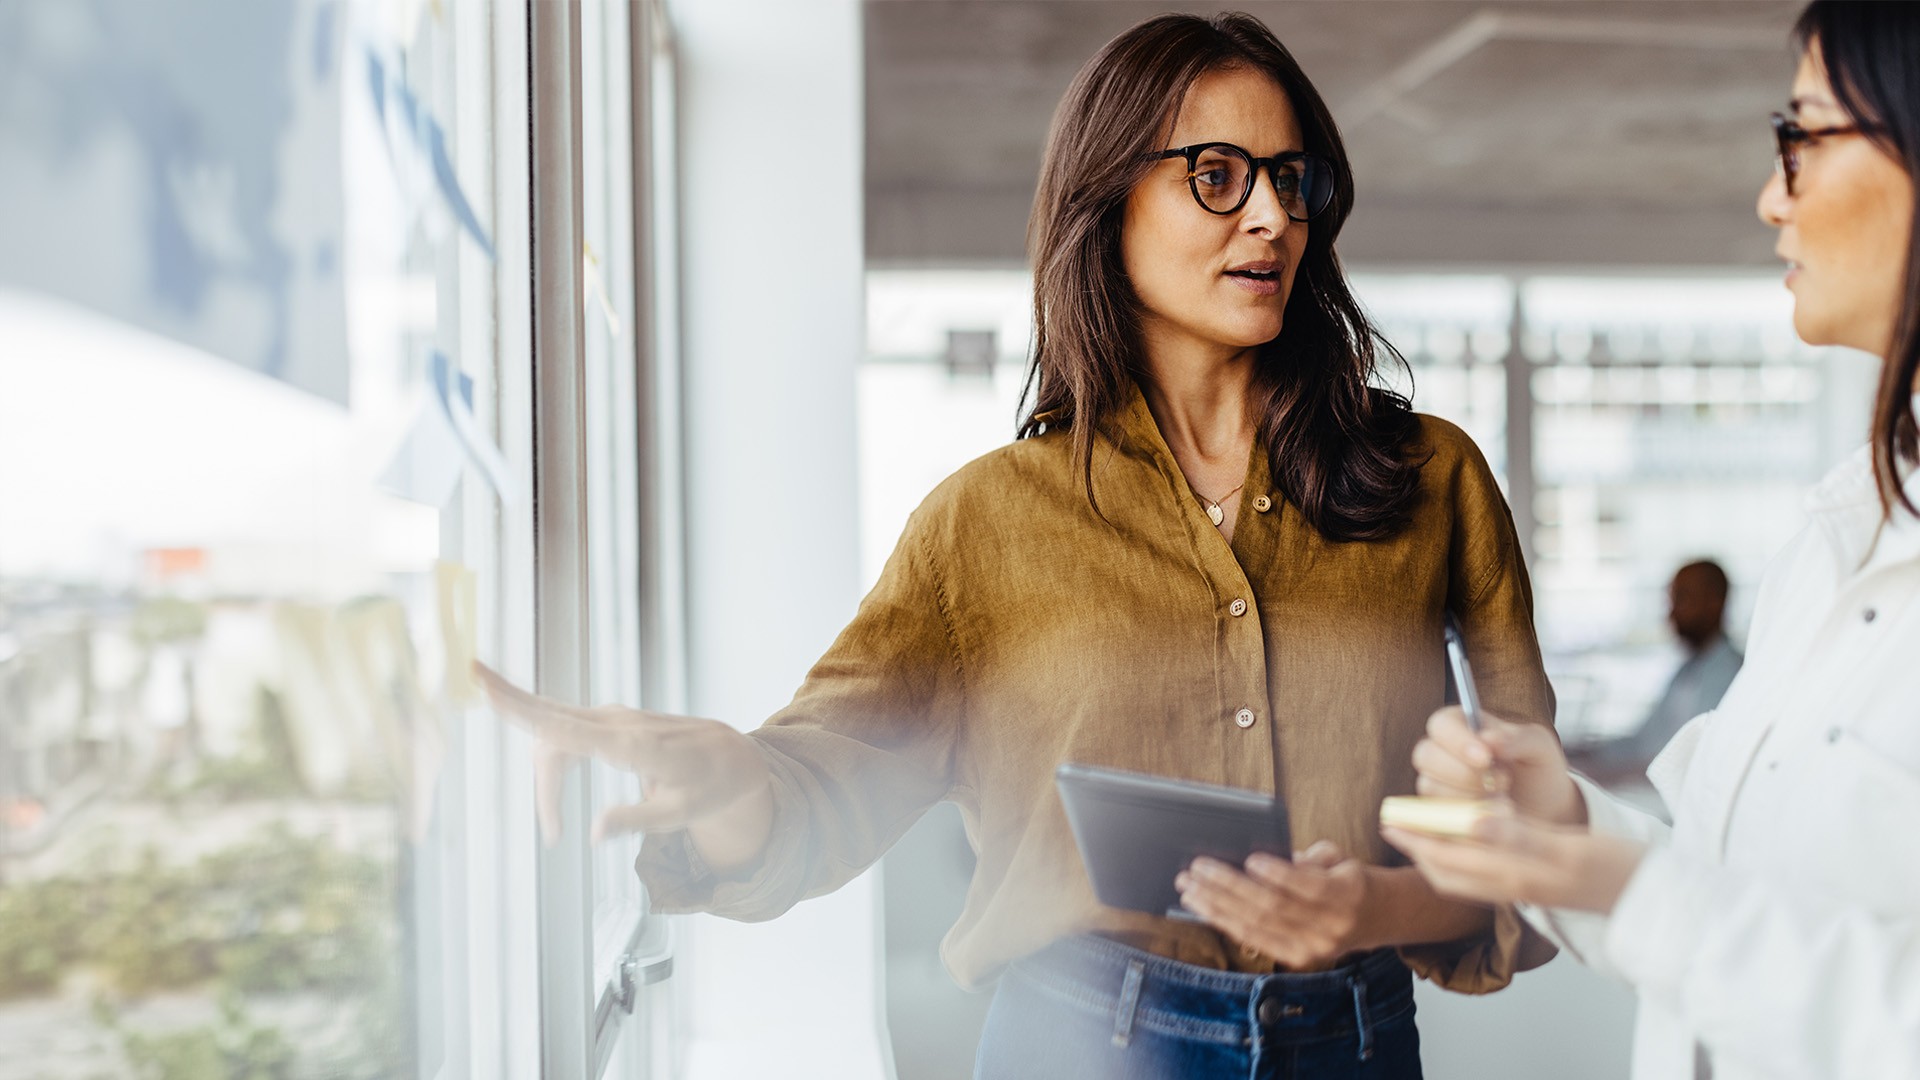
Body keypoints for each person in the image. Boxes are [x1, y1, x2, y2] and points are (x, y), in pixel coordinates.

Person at [480, 11, 1556, 1077]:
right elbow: (830, 779)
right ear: (1108, 199)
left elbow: (1546, 835)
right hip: (1081, 1040)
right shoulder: (985, 521)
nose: (1272, 215)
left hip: (1354, 1043)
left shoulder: (1432, 477)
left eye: (1292, 177)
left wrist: (1378, 903)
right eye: (1219, 175)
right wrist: (733, 783)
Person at [1387, 4, 1920, 1078]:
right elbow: (1737, 905)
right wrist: (1565, 823)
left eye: (1801, 138)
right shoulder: (1837, 540)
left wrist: (1632, 892)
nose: (1773, 195)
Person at [1566, 559, 1743, 787]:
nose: (1671, 614)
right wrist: (1582, 753)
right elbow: (1642, 742)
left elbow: (1691, 762)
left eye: (1681, 599)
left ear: (1714, 602)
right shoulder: (1686, 672)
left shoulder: (1730, 675)